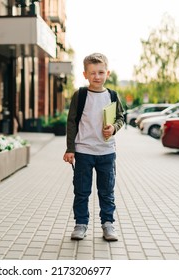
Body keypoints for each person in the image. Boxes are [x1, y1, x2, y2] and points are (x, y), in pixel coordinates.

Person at [63, 53, 124, 241]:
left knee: (107, 192)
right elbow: (71, 122)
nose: (97, 76)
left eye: (101, 72)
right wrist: (70, 148)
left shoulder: (112, 96)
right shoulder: (80, 95)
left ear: (108, 73)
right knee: (81, 192)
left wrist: (113, 128)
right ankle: (80, 224)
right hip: (83, 152)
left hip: (106, 152)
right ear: (85, 74)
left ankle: (108, 225)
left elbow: (122, 118)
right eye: (92, 73)